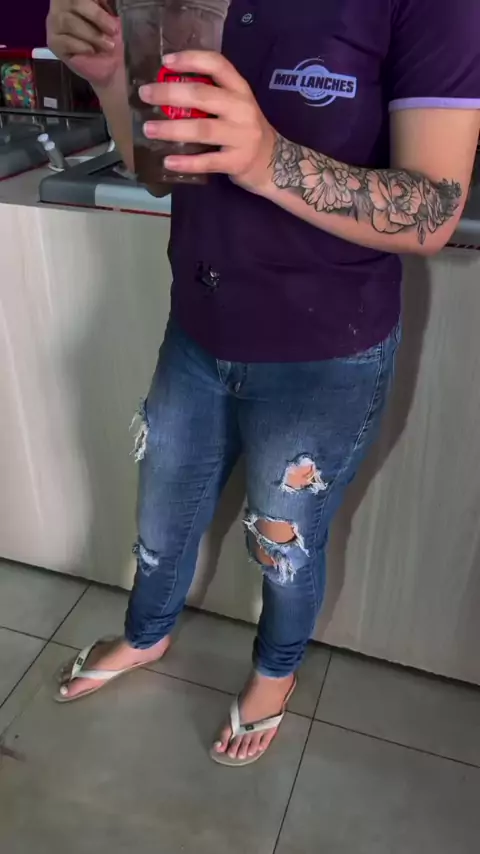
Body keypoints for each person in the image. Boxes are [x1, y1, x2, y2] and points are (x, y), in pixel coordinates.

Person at [46, 0, 480, 766]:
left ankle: (276, 672)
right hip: (197, 329)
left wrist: (269, 158)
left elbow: (434, 211)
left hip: (326, 352)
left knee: (284, 545)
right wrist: (111, 77)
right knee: (160, 521)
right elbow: (160, 171)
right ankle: (147, 635)